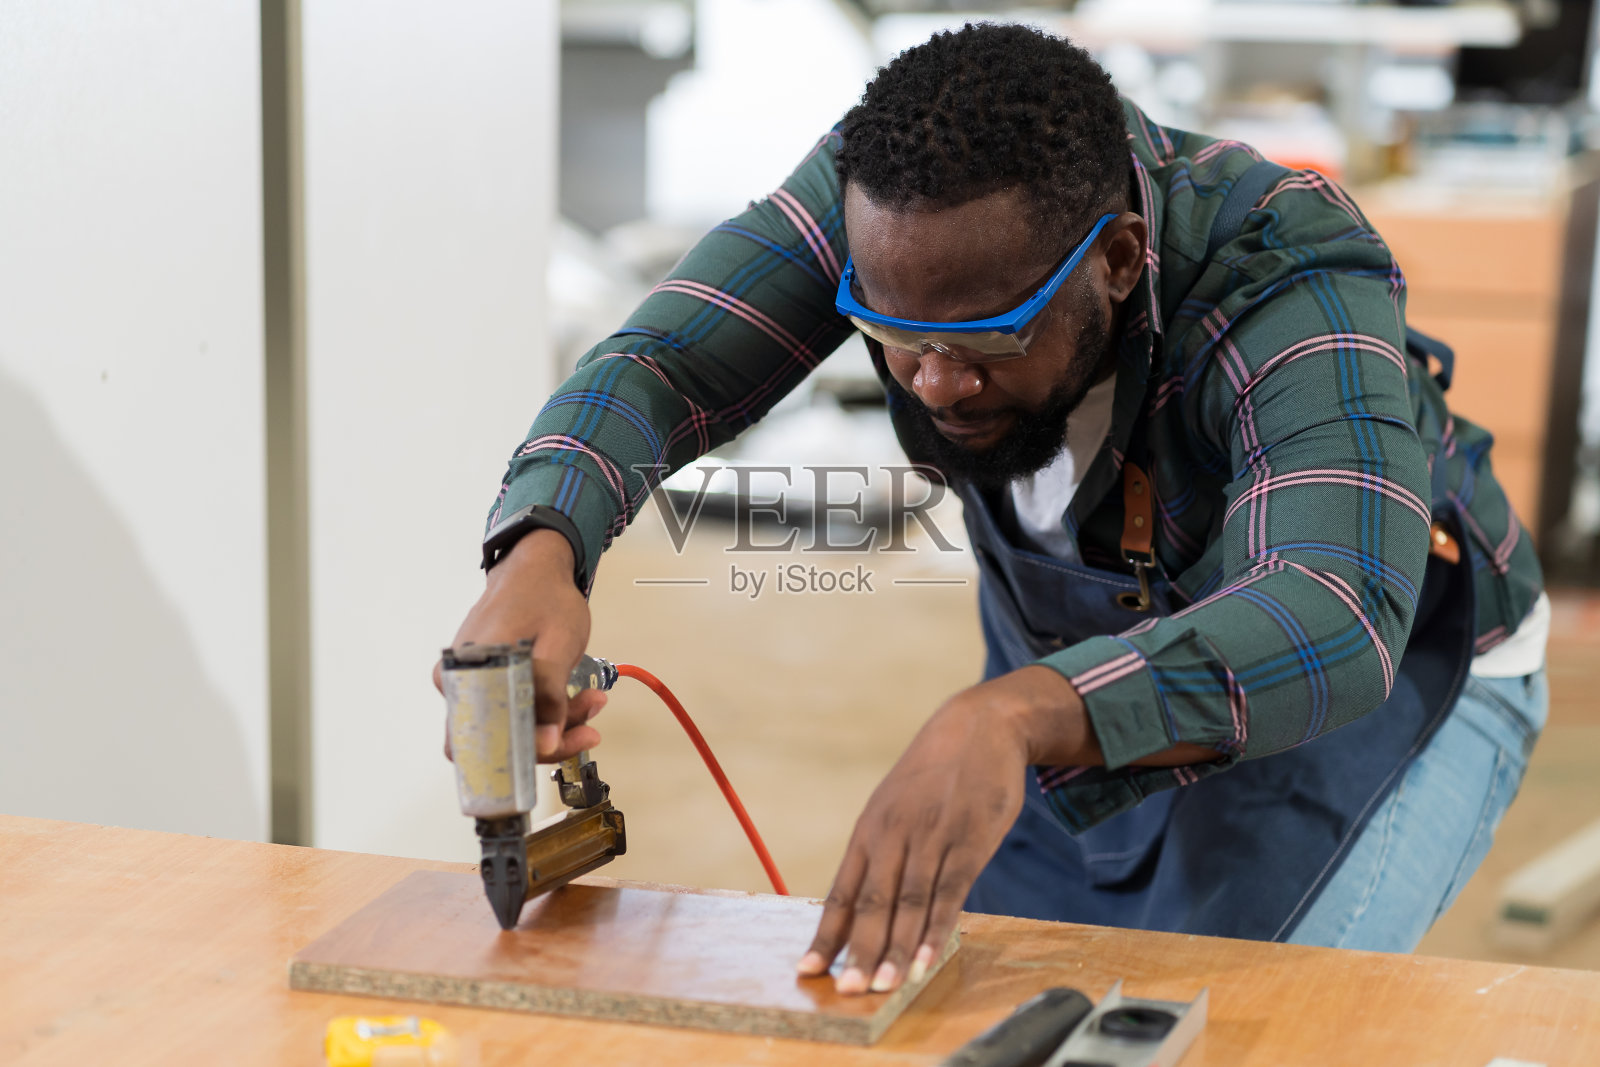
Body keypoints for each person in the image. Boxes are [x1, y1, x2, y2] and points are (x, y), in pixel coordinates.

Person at [440, 23, 1549, 996]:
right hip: (1067, 672)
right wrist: (539, 549)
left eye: (982, 345)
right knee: (946, 1013)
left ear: (1117, 262)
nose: (928, 383)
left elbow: (1331, 609)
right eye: (895, 340)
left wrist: (1012, 715)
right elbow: (664, 366)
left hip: (1380, 676)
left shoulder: (1285, 272)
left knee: (1209, 1027)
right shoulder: (895, 205)